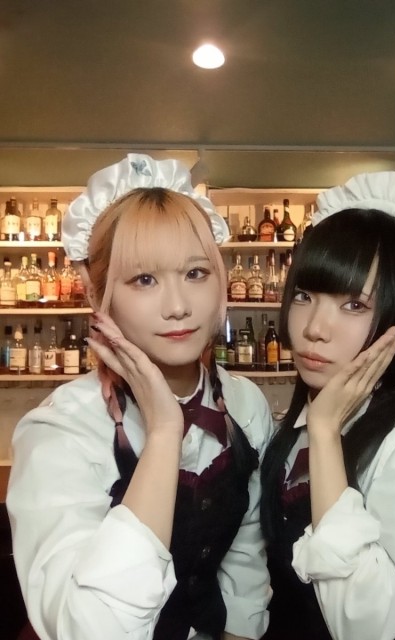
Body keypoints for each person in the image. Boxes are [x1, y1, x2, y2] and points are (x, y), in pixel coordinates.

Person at [7, 154, 273, 640]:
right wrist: (165, 431)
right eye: (144, 279)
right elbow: (88, 629)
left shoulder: (245, 404)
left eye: (196, 273)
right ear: (97, 294)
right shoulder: (62, 431)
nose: (178, 306)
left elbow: (245, 557)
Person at [260, 171, 395, 640]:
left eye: (354, 305)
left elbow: (366, 624)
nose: (314, 328)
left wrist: (325, 434)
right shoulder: (300, 420)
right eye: (304, 296)